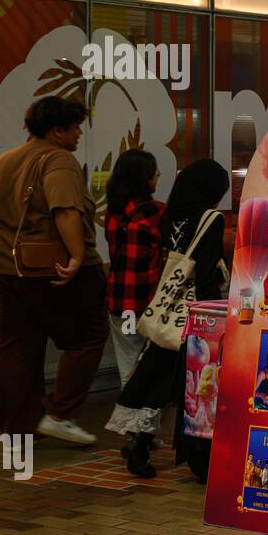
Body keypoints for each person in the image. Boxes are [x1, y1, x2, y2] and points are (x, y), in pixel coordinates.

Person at [0, 96, 108, 442]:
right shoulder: (58, 159)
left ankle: (16, 428)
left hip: (1, 266)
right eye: (75, 127)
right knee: (88, 336)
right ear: (58, 130)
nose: (79, 134)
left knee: (17, 345)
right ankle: (60, 413)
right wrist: (77, 257)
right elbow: (64, 209)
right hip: (48, 267)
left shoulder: (3, 160)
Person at [105, 159, 229, 478]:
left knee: (155, 376)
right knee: (181, 384)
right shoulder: (210, 219)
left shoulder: (173, 214)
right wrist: (212, 317)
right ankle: (172, 449)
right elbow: (203, 274)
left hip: (167, 309)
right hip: (193, 313)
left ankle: (139, 441)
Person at [103, 150, 164, 387]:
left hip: (120, 304)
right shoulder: (155, 212)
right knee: (151, 368)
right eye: (155, 173)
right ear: (145, 178)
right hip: (149, 303)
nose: (158, 177)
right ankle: (144, 416)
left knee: (128, 364)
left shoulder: (112, 213)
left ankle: (128, 416)